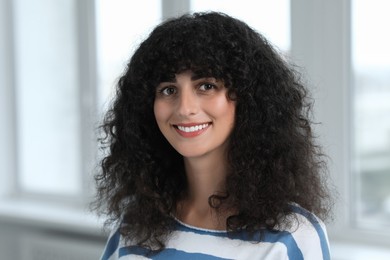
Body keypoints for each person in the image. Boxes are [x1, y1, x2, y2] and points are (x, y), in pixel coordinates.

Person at [95, 11, 333, 260]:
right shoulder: (134, 226)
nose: (185, 108)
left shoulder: (291, 238)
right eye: (168, 90)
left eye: (206, 86)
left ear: (248, 98)